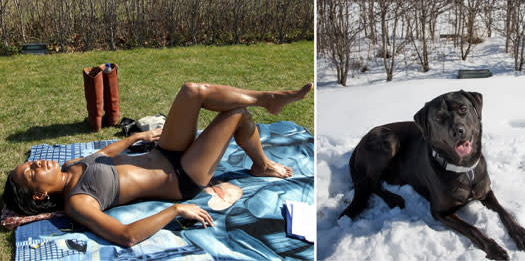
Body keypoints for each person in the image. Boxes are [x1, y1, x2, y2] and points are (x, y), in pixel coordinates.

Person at [3, 82, 312, 247]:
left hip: (165, 152)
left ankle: (267, 99)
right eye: (31, 172)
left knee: (192, 91)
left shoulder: (71, 165)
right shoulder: (78, 203)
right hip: (180, 177)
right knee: (236, 116)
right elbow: (126, 236)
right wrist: (175, 211)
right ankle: (262, 161)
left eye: (30, 163)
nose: (37, 162)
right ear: (39, 196)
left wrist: (139, 135)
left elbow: (106, 153)